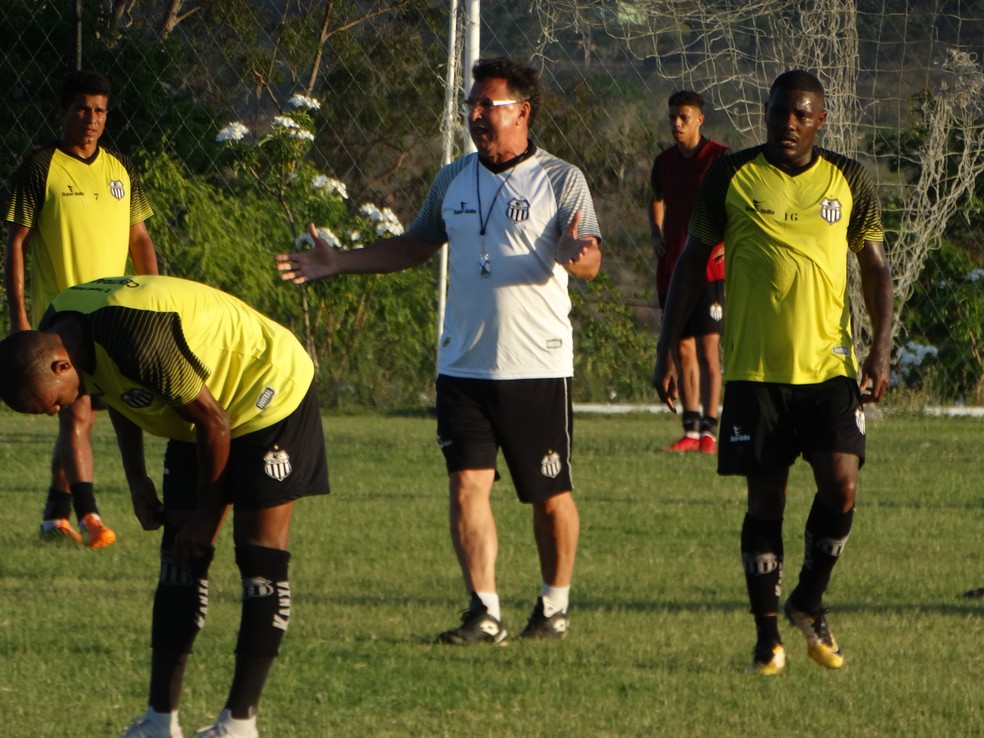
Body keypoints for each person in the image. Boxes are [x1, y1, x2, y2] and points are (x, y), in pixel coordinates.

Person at [276, 56, 601, 644]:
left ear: (522, 112)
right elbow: (414, 246)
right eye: (472, 106)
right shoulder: (452, 179)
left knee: (549, 495)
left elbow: (592, 257)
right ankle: (484, 612)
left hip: (536, 365)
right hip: (462, 365)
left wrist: (579, 254)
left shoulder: (561, 179)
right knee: (466, 485)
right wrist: (339, 262)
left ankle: (553, 607)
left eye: (489, 106)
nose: (476, 116)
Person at [0, 274, 330, 738]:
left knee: (259, 555)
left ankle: (238, 724)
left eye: (49, 406)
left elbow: (215, 422)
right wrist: (137, 479)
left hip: (266, 388)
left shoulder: (134, 336)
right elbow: (113, 389)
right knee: (179, 557)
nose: (56, 414)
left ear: (58, 366)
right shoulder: (60, 327)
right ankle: (160, 721)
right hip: (191, 405)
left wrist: (206, 517)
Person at [652, 71, 893, 675]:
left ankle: (808, 603)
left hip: (829, 369)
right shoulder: (730, 176)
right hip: (755, 374)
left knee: (842, 484)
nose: (789, 123)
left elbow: (875, 267)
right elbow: (689, 263)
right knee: (767, 498)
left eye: (801, 114)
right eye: (780, 112)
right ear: (766, 113)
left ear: (820, 121)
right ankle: (767, 638)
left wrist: (881, 347)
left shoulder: (849, 179)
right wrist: (664, 347)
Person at [4, 69, 158, 548]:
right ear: (63, 112)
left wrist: (152, 296)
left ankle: (56, 515)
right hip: (60, 323)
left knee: (84, 416)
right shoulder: (40, 167)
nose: (91, 120)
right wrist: (21, 321)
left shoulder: (121, 169)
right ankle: (91, 514)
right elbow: (16, 243)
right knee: (76, 415)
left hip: (113, 318)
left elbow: (140, 238)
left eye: (100, 111)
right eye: (82, 110)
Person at [649, 90, 728, 454]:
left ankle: (711, 431)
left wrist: (727, 241)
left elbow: (737, 203)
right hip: (673, 269)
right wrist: (657, 233)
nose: (676, 124)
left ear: (700, 119)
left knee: (709, 348)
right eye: (672, 117)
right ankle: (691, 429)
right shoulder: (663, 162)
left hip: (710, 269)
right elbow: (657, 196)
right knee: (680, 350)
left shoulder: (719, 158)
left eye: (683, 117)